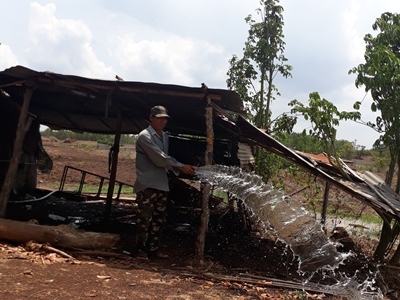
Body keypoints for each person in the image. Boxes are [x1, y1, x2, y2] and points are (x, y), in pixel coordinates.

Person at [134, 105, 197, 259]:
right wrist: (180, 166)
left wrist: (182, 167)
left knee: (158, 219)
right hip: (148, 184)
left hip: (162, 183)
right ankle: (140, 250)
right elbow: (159, 158)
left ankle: (153, 249)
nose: (163, 122)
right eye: (159, 118)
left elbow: (165, 160)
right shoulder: (144, 136)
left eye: (165, 119)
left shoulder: (164, 136)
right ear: (151, 118)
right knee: (145, 219)